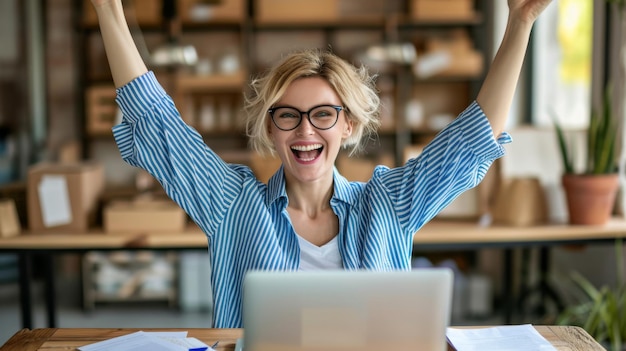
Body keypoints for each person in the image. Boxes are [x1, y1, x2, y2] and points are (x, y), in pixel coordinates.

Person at [90, 0, 552, 328]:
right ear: (271, 129)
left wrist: (520, 22)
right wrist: (109, 8)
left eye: (323, 115)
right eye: (288, 115)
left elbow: (472, 141)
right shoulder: (233, 204)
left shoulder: (389, 205)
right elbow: (156, 122)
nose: (305, 131)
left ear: (347, 126)